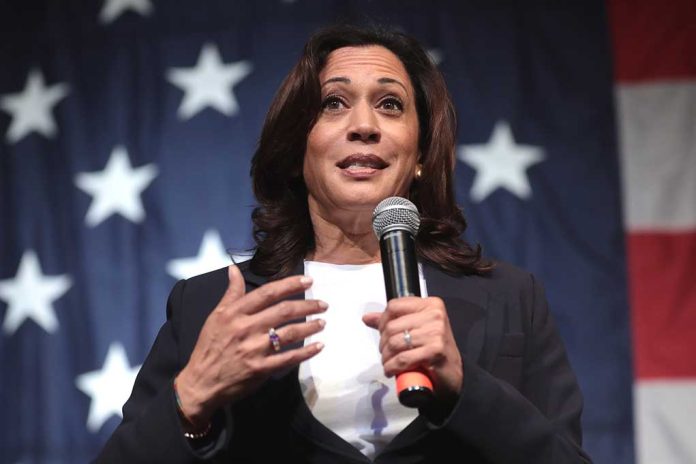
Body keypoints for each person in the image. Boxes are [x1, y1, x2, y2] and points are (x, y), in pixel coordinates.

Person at [97, 24, 592, 463]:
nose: (363, 126)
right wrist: (191, 397)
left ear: (419, 154)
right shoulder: (210, 305)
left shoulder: (509, 298)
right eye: (334, 103)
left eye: (390, 104)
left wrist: (466, 388)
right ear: (295, 150)